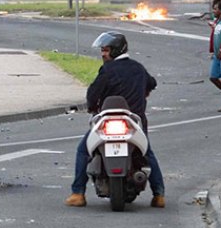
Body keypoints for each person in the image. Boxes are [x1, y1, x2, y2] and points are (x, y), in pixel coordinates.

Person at [64, 32, 166, 208]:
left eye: (106, 50)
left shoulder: (107, 70)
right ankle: (159, 195)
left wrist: (92, 108)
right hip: (134, 123)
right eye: (102, 50)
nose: (103, 54)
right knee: (146, 153)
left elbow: (92, 94)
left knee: (84, 151)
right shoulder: (138, 68)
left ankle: (78, 193)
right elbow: (152, 83)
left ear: (116, 50)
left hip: (108, 122)